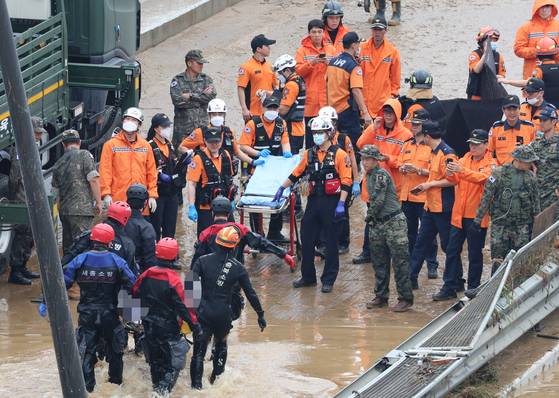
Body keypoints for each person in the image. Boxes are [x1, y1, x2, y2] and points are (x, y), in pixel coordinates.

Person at [274, 116, 352, 293]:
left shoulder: (340, 155)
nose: (317, 135)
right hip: (314, 201)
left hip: (332, 202)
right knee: (307, 239)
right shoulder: (309, 153)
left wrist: (342, 204)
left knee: (331, 241)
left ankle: (328, 280)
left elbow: (346, 181)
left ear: (328, 133)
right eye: (315, 132)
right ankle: (308, 277)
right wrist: (282, 188)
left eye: (320, 132)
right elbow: (296, 173)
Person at [190, 226, 267, 389]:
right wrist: (260, 314)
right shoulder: (238, 267)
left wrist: (189, 314)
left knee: (198, 353)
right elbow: (251, 293)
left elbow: (189, 288)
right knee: (221, 345)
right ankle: (216, 382)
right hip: (223, 315)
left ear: (216, 243)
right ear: (234, 246)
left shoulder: (201, 261)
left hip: (203, 313)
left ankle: (196, 389)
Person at [63, 223, 136, 393]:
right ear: (110, 242)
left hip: (86, 314)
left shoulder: (79, 260)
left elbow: (62, 282)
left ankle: (88, 390)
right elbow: (133, 286)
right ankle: (115, 386)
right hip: (110, 314)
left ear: (93, 240)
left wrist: (46, 302)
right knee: (116, 351)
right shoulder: (118, 261)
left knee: (87, 352)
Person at [432, 129, 497, 301]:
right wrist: (450, 172)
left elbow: (482, 178)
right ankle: (449, 287)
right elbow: (454, 179)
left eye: (477, 143)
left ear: (485, 145)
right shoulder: (465, 158)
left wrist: (461, 171)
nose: (473, 146)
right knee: (452, 251)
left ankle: (473, 289)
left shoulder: (492, 163)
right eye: (471, 143)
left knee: (475, 255)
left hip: (477, 217)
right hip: (458, 215)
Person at [134, 238, 201, 395]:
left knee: (155, 364)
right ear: (175, 257)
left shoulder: (146, 274)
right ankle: (160, 392)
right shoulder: (173, 279)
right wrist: (195, 327)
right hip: (169, 330)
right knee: (173, 367)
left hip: (149, 327)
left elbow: (135, 293)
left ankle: (156, 389)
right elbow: (184, 306)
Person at [361, 145, 413, 312]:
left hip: (393, 223)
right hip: (378, 223)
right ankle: (381, 296)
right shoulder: (369, 175)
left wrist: (368, 216)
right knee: (379, 262)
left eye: (367, 159)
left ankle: (405, 298)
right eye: (362, 159)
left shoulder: (381, 174)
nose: (364, 162)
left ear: (376, 160)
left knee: (400, 262)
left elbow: (377, 199)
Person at [471, 145, 541, 268]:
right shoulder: (499, 174)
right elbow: (486, 197)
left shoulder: (530, 177)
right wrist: (477, 220)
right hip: (500, 226)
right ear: (519, 160)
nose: (531, 163)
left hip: (521, 227)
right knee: (498, 262)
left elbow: (535, 201)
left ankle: (516, 286)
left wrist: (538, 221)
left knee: (520, 262)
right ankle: (496, 286)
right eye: (529, 161)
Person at [408, 121, 458, 289]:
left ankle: (456, 280)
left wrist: (428, 185)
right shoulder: (434, 152)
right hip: (429, 207)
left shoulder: (447, 154)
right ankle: (411, 277)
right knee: (421, 242)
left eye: (422, 136)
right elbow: (436, 174)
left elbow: (453, 181)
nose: (421, 139)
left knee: (448, 245)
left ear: (427, 136)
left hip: (443, 208)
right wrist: (423, 184)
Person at [238, 96, 291, 241]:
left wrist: (287, 153)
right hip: (257, 169)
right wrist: (258, 154)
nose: (272, 111)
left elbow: (285, 142)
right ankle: (257, 234)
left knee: (278, 198)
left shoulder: (281, 124)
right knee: (255, 202)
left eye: (275, 108)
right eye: (269, 108)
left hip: (274, 170)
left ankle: (275, 232)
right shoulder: (252, 124)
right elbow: (243, 146)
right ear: (263, 108)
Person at [397, 109, 439, 275]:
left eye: (418, 124)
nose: (414, 127)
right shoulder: (407, 144)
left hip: (424, 197)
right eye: (413, 124)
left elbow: (437, 173)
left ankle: (432, 265)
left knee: (428, 233)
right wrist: (402, 169)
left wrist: (418, 170)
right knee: (409, 232)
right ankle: (411, 265)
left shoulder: (431, 147)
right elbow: (399, 164)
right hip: (407, 196)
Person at [99, 107, 158, 217]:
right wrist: (106, 194)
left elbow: (151, 174)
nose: (130, 122)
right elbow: (105, 172)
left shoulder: (145, 146)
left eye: (134, 120)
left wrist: (152, 195)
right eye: (127, 119)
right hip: (118, 201)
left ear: (139, 125)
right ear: (123, 122)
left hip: (140, 202)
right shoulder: (111, 145)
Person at [6, 116, 44, 285]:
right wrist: (16, 198)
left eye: (40, 133)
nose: (39, 136)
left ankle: (22, 267)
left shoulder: (31, 147)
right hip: (22, 198)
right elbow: (14, 177)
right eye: (36, 132)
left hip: (31, 197)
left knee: (30, 234)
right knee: (22, 234)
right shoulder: (21, 149)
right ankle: (15, 271)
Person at [316, 106, 359, 255]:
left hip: (342, 181)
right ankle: (322, 243)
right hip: (324, 182)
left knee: (342, 213)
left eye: (332, 121)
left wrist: (356, 181)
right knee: (321, 212)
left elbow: (353, 161)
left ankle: (343, 242)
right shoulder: (317, 138)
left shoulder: (343, 138)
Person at [51, 129, 102, 254]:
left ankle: (67, 272)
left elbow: (55, 193)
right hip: (82, 212)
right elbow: (93, 180)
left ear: (63, 145)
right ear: (79, 142)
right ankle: (83, 273)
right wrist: (99, 203)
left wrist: (60, 215)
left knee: (69, 250)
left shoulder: (58, 164)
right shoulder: (85, 155)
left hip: (65, 213)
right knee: (85, 247)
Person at [325, 31, 372, 154]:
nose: (359, 47)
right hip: (347, 112)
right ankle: (352, 172)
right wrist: (366, 113)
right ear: (353, 46)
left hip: (332, 111)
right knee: (353, 148)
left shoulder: (332, 62)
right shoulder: (354, 66)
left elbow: (327, 84)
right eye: (358, 44)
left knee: (335, 147)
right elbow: (356, 90)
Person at [61, 201, 136, 277]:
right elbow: (130, 270)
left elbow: (74, 251)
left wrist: (59, 268)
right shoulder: (128, 243)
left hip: (90, 278)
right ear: (126, 219)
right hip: (113, 283)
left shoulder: (93, 232)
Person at [187, 127, 239, 236]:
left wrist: (231, 201)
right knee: (206, 239)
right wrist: (191, 206)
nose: (214, 145)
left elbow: (229, 180)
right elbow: (191, 184)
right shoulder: (198, 158)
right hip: (206, 207)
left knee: (230, 236)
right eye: (211, 142)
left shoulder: (226, 154)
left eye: (217, 141)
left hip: (225, 206)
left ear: (221, 141)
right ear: (205, 141)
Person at [178, 99, 255, 170]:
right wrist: (196, 156)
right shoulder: (200, 132)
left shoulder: (229, 132)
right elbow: (182, 147)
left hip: (225, 176)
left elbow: (236, 152)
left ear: (225, 115)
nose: (217, 117)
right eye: (214, 115)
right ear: (209, 116)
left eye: (220, 114)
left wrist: (253, 162)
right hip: (206, 175)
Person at [295, 19, 337, 149]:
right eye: (314, 32)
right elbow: (297, 72)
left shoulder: (331, 49)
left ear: (324, 33)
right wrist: (311, 63)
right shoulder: (301, 51)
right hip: (311, 102)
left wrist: (329, 65)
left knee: (330, 137)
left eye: (320, 32)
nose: (317, 35)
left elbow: (338, 72)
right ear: (309, 33)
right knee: (311, 138)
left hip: (328, 102)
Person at [147, 113, 184, 240]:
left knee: (170, 225)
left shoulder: (169, 145)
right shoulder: (150, 146)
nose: (167, 128)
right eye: (164, 126)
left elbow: (173, 163)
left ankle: (170, 251)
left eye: (168, 126)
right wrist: (159, 174)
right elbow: (147, 168)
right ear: (156, 129)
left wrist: (183, 163)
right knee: (155, 225)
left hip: (172, 192)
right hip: (158, 192)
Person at [170, 50, 216, 148]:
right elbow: (177, 101)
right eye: (199, 63)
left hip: (202, 129)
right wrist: (200, 99)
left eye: (202, 63)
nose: (201, 66)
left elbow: (211, 96)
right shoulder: (177, 80)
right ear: (189, 63)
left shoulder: (206, 79)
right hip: (183, 131)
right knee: (182, 160)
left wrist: (190, 96)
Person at [500, 38, 559, 111]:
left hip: (546, 109)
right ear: (555, 52)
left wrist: (507, 81)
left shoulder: (539, 70)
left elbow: (528, 83)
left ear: (538, 55)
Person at [359, 17, 401, 119]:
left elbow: (396, 76)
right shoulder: (361, 48)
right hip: (363, 101)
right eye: (375, 29)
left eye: (380, 29)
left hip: (382, 101)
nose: (377, 32)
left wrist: (392, 95)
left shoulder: (392, 51)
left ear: (385, 31)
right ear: (371, 30)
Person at [238, 34, 278, 124]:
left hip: (269, 112)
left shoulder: (271, 67)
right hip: (253, 113)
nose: (269, 48)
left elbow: (275, 89)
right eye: (266, 46)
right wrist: (244, 109)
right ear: (258, 49)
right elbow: (240, 89)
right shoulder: (246, 68)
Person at [515, 0, 559, 79]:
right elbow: (518, 50)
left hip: (555, 74)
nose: (544, 10)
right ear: (536, 8)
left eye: (547, 6)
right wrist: (538, 51)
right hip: (532, 74)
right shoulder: (526, 28)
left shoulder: (558, 26)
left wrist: (555, 52)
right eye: (541, 7)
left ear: (553, 8)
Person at [488, 95, 538, 166]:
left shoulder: (529, 127)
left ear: (519, 109)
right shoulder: (496, 128)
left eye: (515, 109)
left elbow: (536, 153)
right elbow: (490, 152)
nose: (512, 113)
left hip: (523, 171)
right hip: (502, 171)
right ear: (503, 110)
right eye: (509, 109)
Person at [272, 54, 306, 155]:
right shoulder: (300, 81)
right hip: (298, 129)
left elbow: (283, 110)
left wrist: (269, 106)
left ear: (287, 71)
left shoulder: (291, 85)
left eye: (280, 72)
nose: (279, 76)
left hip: (291, 130)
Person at [531, 108, 559, 221]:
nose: (541, 123)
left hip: (554, 193)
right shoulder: (536, 143)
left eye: (544, 120)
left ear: (554, 121)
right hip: (539, 194)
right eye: (540, 120)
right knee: (540, 230)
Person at [124, 184, 156, 273]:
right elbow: (150, 259)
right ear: (145, 203)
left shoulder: (115, 222)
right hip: (136, 272)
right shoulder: (146, 227)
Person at [467, 27, 506, 100]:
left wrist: (491, 77)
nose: (493, 42)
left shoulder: (498, 57)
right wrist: (485, 54)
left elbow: (502, 76)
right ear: (482, 41)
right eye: (490, 40)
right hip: (476, 95)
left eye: (494, 40)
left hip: (492, 95)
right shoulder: (475, 55)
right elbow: (476, 70)